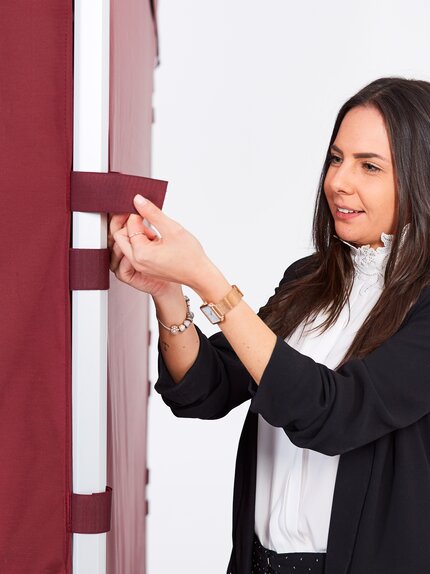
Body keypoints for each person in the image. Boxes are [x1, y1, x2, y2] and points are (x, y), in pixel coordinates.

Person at [108, 77, 430, 574]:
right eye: (336, 158)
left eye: (370, 166)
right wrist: (169, 292)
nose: (339, 181)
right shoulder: (311, 279)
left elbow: (334, 414)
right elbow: (207, 389)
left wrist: (207, 278)